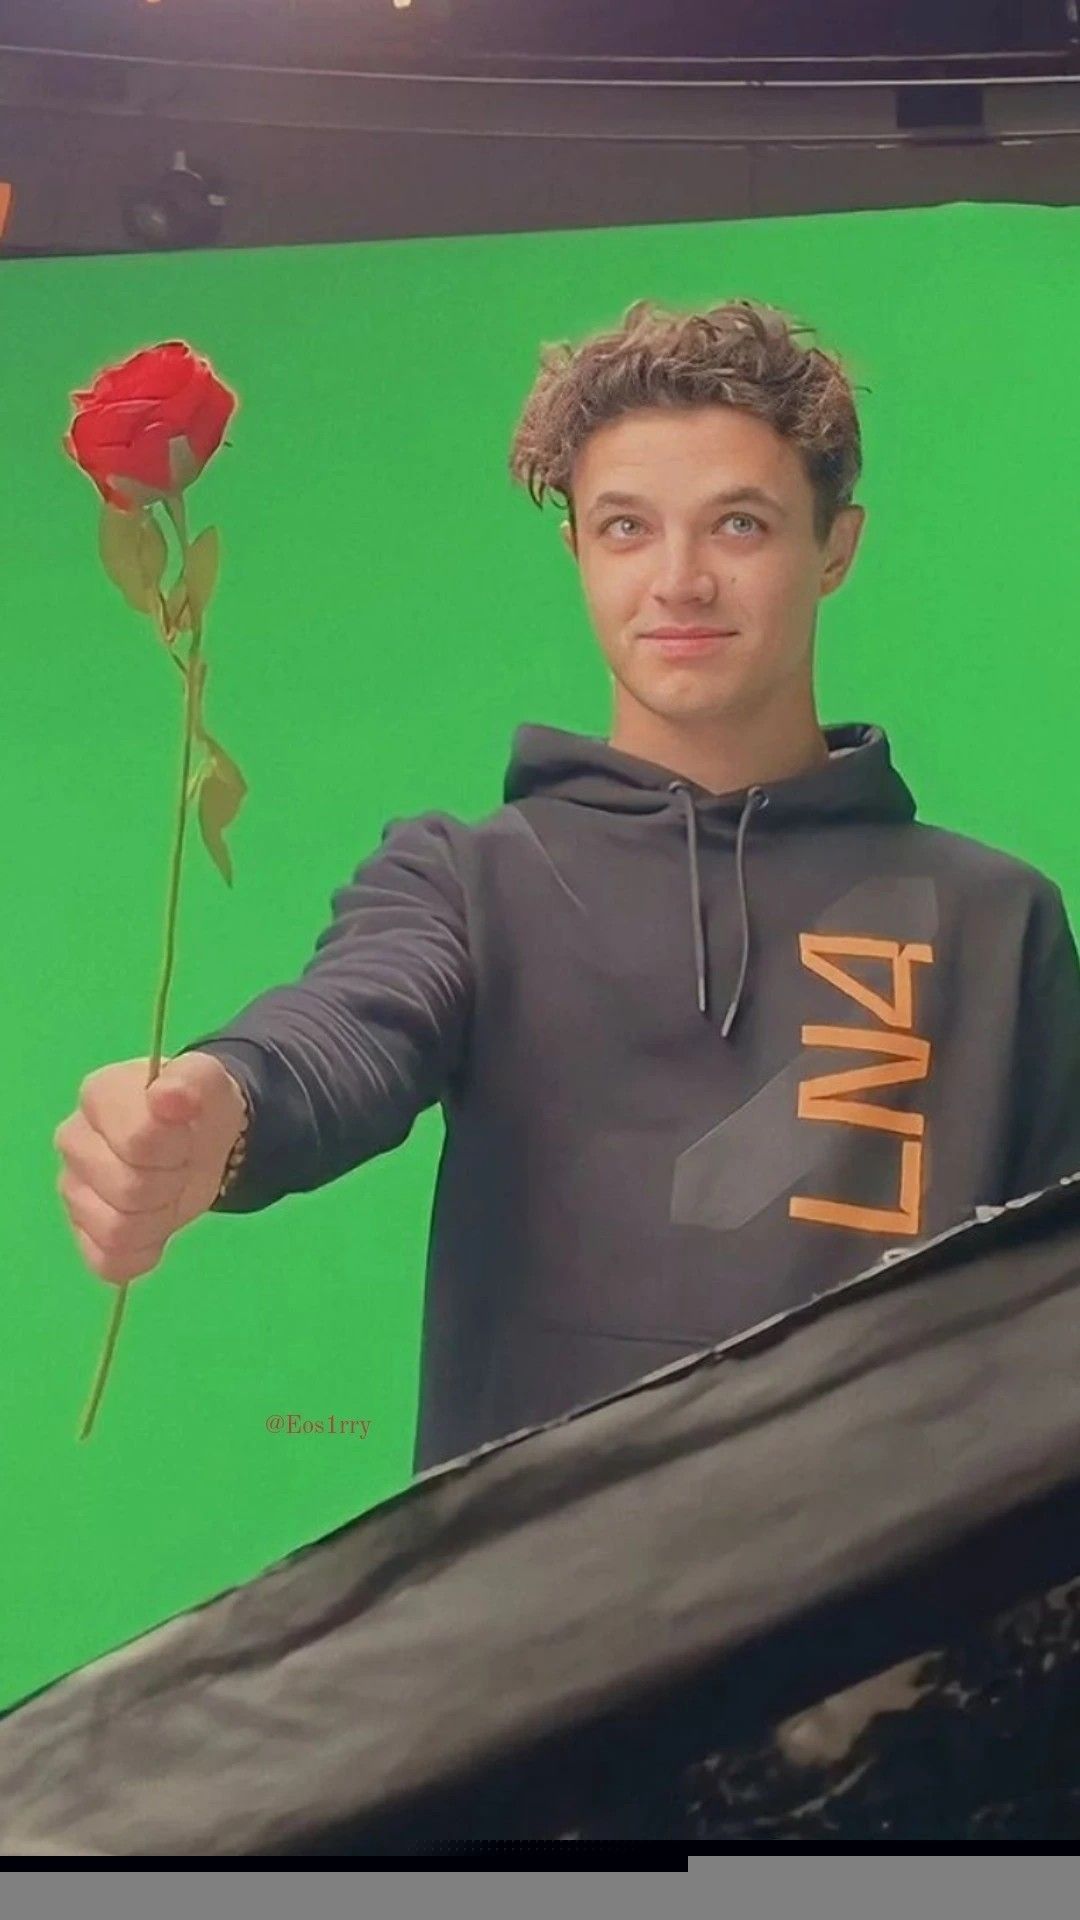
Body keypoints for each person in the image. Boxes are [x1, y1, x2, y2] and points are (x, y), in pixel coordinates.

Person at [56, 297, 1080, 1476]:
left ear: (835, 548)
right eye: (627, 527)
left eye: (739, 525)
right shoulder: (468, 880)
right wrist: (223, 1109)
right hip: (541, 1592)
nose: (680, 581)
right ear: (579, 553)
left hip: (887, 1591)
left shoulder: (996, 924)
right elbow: (351, 1028)